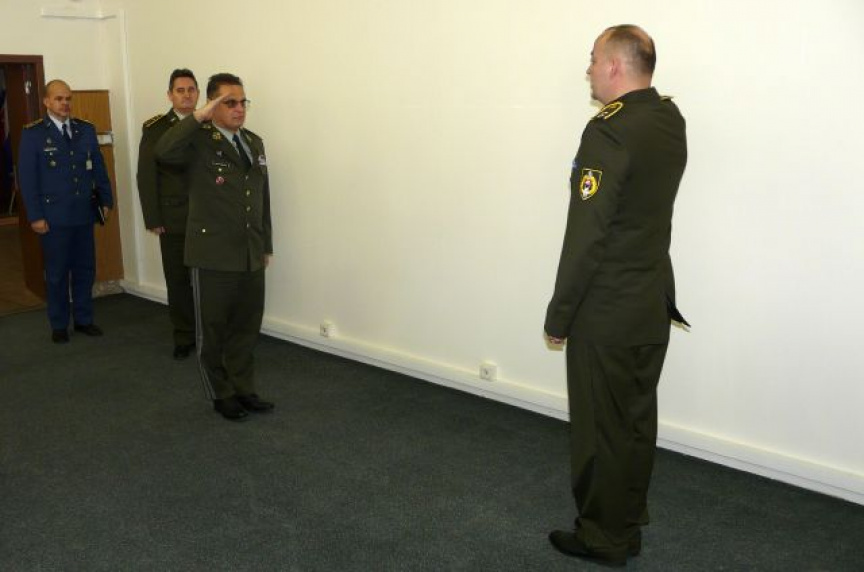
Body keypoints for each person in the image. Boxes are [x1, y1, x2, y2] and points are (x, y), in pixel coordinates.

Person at [544, 25, 689, 566]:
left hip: (606, 312)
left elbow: (587, 238)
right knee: (633, 422)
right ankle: (627, 518)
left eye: (592, 59)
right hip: (650, 302)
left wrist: (560, 315)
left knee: (600, 430)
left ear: (613, 67)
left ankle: (603, 537)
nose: (587, 70)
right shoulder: (668, 119)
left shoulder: (608, 132)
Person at [154, 73, 274, 421]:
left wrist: (265, 243)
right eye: (229, 103)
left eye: (242, 102)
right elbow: (163, 151)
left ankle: (243, 387)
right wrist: (198, 117)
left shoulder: (253, 142)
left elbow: (262, 199)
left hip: (250, 251)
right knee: (214, 329)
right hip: (213, 253)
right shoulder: (197, 141)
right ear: (212, 105)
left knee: (246, 326)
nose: (239, 109)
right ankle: (221, 394)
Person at [18, 79, 113, 344]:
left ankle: (83, 319)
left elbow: (99, 169)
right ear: (47, 102)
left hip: (83, 213)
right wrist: (35, 216)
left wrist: (106, 200)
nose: (65, 103)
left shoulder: (85, 130)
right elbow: (28, 179)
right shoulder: (34, 134)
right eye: (59, 98)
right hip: (53, 217)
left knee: (85, 269)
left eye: (68, 98)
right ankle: (59, 324)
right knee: (57, 273)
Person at [137, 69, 199, 360]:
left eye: (191, 89)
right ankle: (184, 335)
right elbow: (146, 175)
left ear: (197, 93)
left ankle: (209, 332)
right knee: (178, 280)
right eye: (180, 90)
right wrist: (153, 218)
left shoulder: (209, 124)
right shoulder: (156, 128)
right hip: (173, 218)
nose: (186, 95)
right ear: (170, 95)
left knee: (209, 280)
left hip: (207, 218)